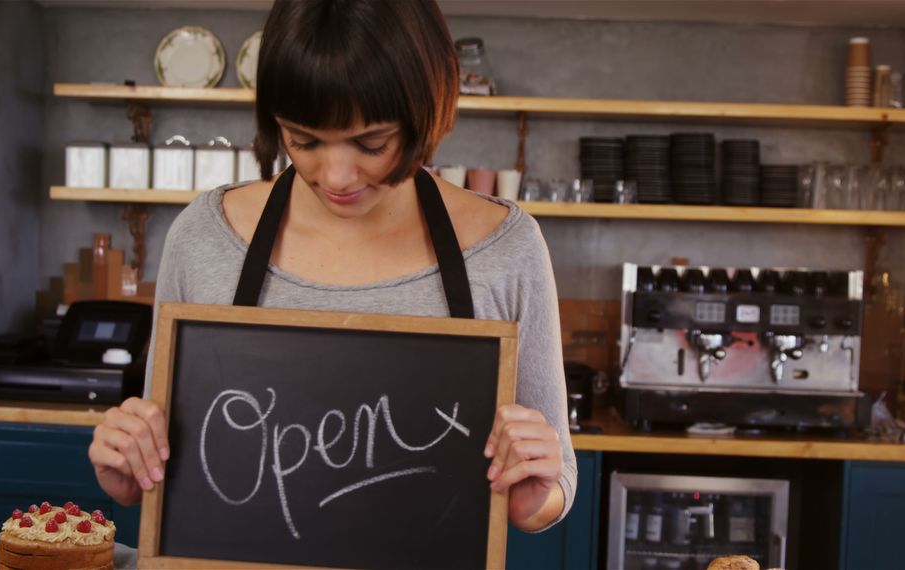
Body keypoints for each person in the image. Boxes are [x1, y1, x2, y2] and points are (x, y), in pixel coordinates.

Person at [87, 0, 575, 532]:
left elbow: (557, 478)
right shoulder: (204, 237)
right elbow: (165, 456)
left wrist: (533, 500)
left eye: (372, 142)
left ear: (425, 114)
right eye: (304, 139)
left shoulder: (507, 249)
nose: (337, 175)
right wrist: (132, 465)